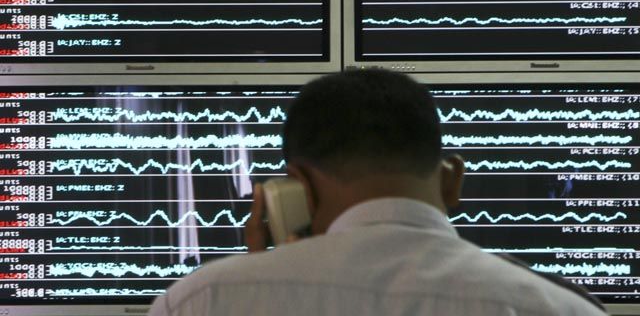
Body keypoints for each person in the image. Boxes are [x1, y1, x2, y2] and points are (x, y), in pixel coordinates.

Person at [148, 69, 607, 316]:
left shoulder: (201, 301)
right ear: (452, 179)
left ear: (298, 190)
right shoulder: (556, 307)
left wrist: (260, 277)